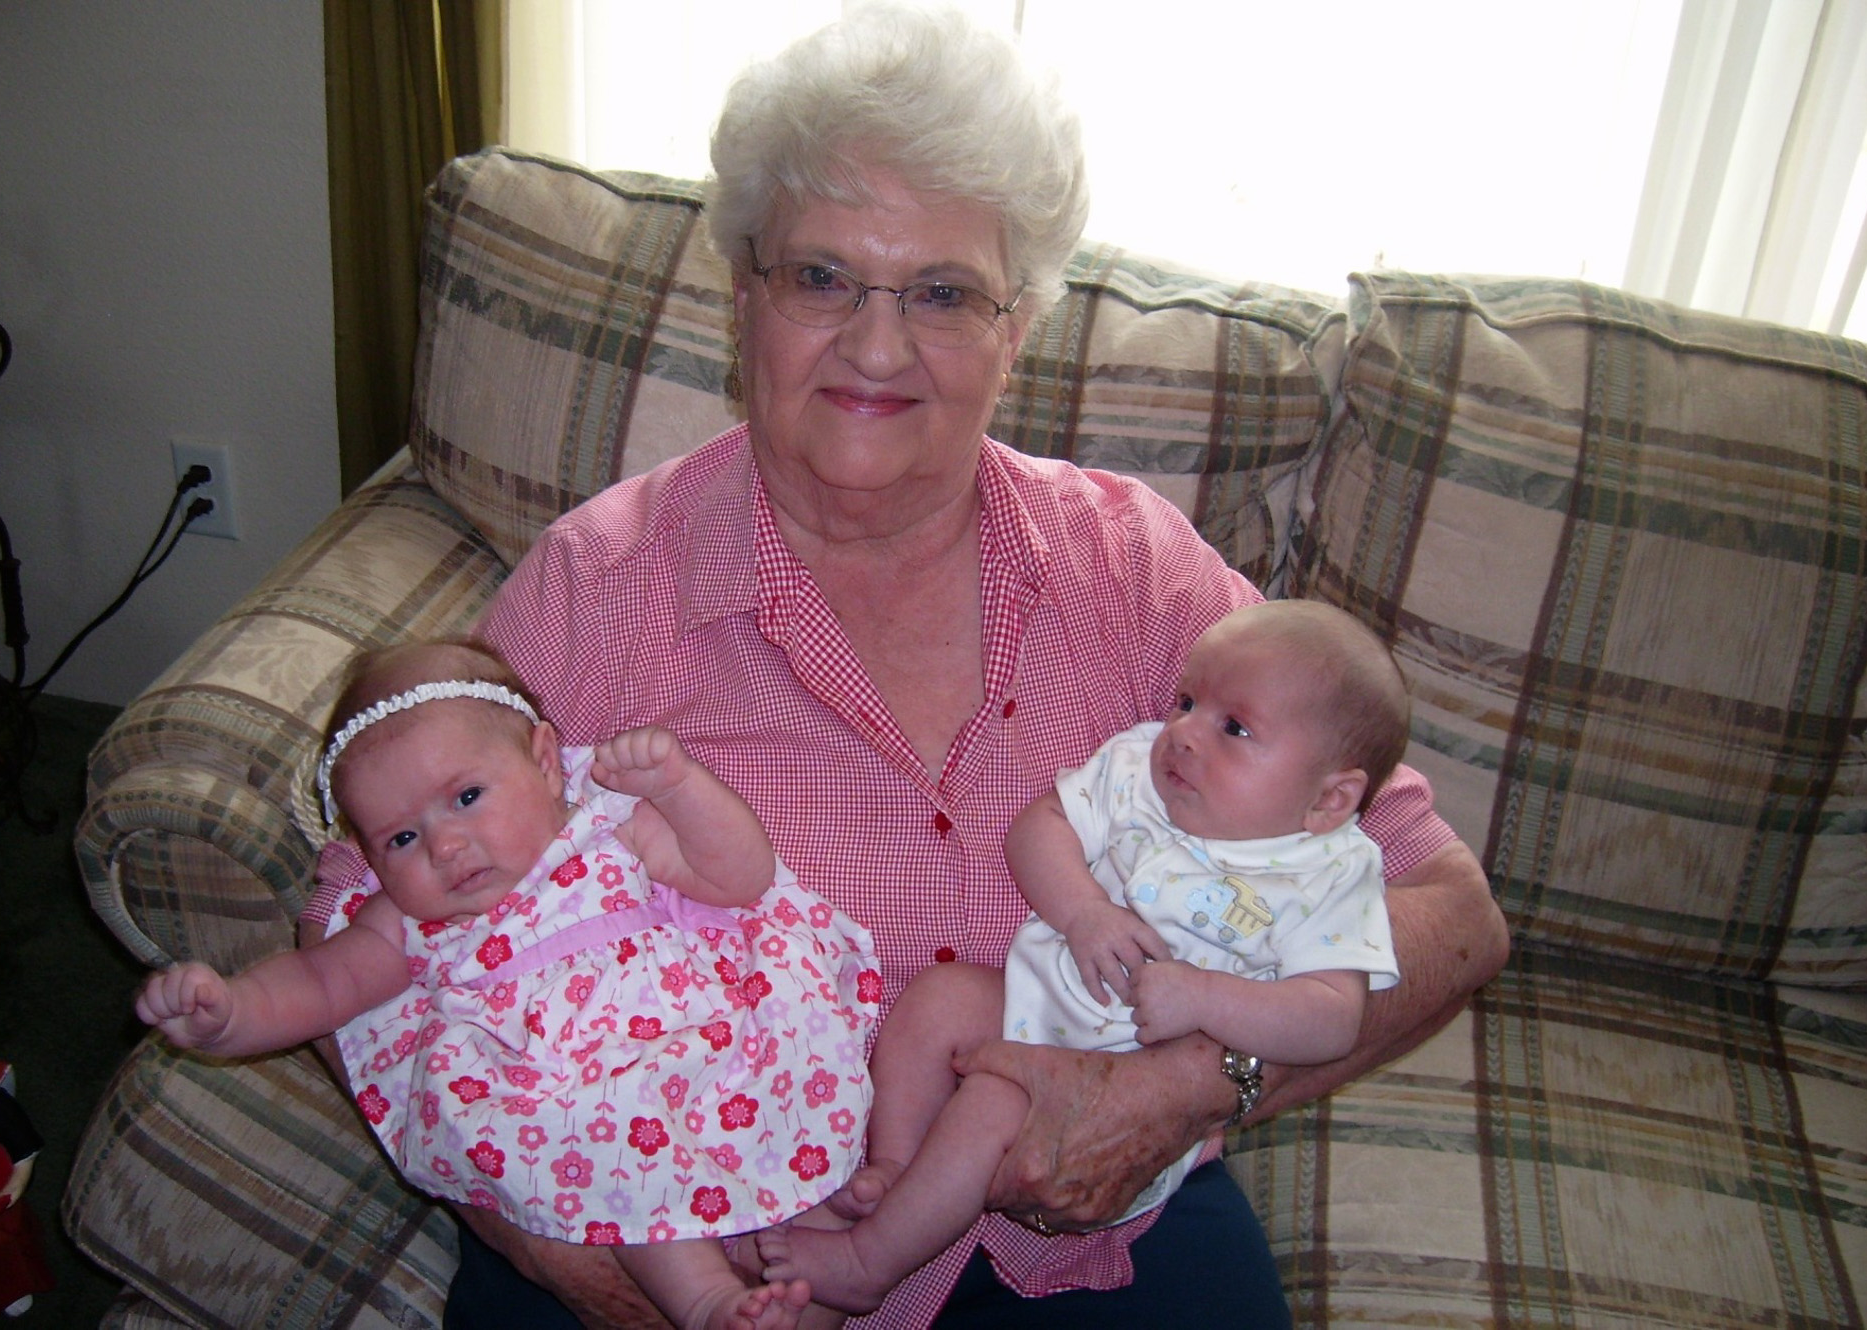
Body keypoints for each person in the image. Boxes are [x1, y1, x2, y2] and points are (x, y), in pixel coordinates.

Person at [302, 5, 1510, 1326]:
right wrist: (567, 1246)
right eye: (821, 278)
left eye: (941, 293)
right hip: (692, 1229)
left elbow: (1447, 907)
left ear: (1017, 328)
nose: (876, 349)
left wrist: (1175, 1091)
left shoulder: (1131, 568)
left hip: (1078, 1223)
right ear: (742, 298)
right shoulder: (604, 584)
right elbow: (356, 905)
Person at [140, 641, 880, 1330]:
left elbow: (739, 878)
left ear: (547, 762)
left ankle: (819, 1254)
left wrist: (683, 788)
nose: (444, 846)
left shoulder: (608, 822)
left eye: (466, 796)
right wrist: (233, 1011)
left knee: (803, 1102)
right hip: (581, 1095)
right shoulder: (409, 921)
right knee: (612, 1163)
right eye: (402, 838)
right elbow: (323, 983)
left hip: (712, 1036)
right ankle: (709, 1302)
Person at [754, 599, 1405, 1312]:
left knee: (992, 1104)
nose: (1183, 733)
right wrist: (1083, 911)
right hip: (1042, 993)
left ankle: (868, 1261)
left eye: (1235, 728)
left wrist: (1205, 999)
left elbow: (1332, 1017)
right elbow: (1041, 827)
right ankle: (894, 1167)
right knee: (941, 999)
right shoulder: (1138, 769)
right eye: (1188, 702)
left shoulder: (1330, 874)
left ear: (1330, 800)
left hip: (1125, 1074)